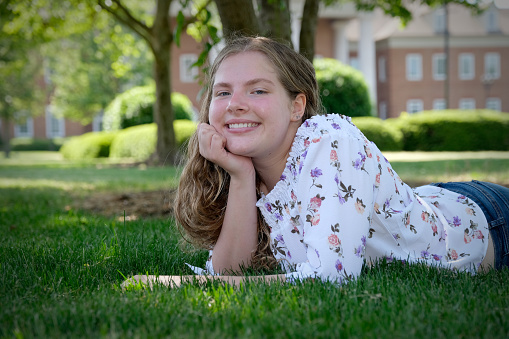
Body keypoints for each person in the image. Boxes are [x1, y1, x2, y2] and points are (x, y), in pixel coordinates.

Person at [124, 36, 508, 289]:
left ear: (297, 105)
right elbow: (229, 271)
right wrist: (241, 176)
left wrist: (176, 284)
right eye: (223, 92)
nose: (234, 103)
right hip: (433, 199)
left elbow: (331, 277)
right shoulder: (245, 166)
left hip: (489, 220)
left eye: (257, 90)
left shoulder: (330, 142)